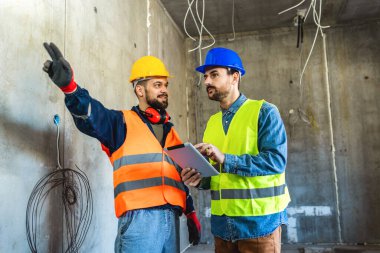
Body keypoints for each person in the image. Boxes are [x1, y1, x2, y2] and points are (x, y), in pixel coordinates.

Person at [42, 42, 201, 253]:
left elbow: (180, 177)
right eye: (157, 85)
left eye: (165, 85)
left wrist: (190, 213)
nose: (164, 90)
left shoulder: (171, 132)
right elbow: (91, 115)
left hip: (171, 219)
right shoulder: (121, 123)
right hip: (139, 221)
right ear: (140, 90)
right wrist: (70, 88)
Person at [181, 47, 290, 253]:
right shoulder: (212, 123)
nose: (206, 82)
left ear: (235, 77)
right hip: (223, 228)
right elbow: (218, 175)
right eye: (205, 76)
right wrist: (199, 178)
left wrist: (225, 158)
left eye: (214, 74)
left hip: (258, 225)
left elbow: (276, 161)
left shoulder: (264, 112)